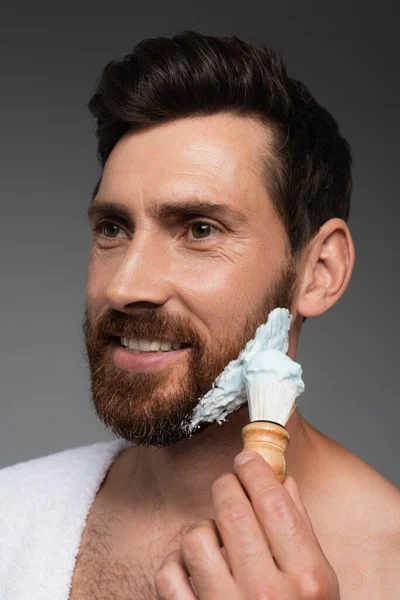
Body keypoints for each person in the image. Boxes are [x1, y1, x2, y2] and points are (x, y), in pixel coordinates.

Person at [1, 31, 399, 600]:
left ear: (320, 271)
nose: (125, 285)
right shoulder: (10, 518)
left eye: (199, 229)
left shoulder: (390, 566)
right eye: (113, 229)